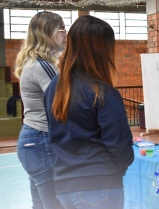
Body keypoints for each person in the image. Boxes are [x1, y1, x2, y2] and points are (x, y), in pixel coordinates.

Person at [44, 15, 134, 209]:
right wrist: (116, 170)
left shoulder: (54, 87)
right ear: (101, 50)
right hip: (98, 184)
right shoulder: (102, 92)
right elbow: (120, 145)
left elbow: (54, 135)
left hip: (64, 185)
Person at [14, 11, 66, 209]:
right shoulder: (42, 66)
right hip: (40, 140)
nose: (66, 35)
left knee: (42, 204)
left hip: (34, 141)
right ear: (49, 34)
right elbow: (62, 102)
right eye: (62, 30)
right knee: (55, 204)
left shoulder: (34, 63)